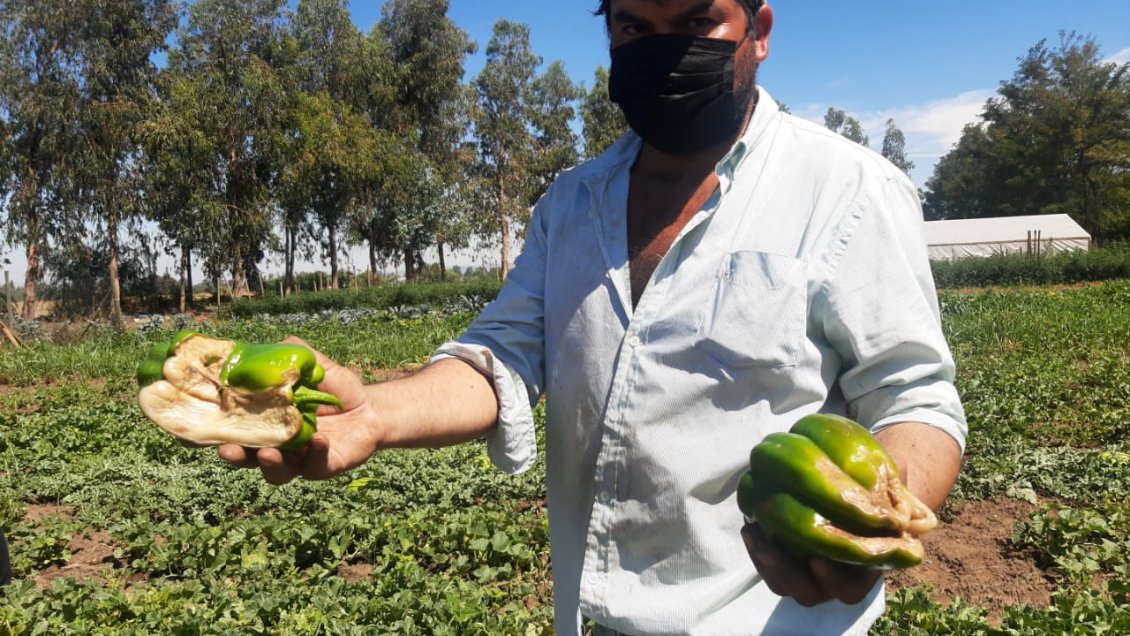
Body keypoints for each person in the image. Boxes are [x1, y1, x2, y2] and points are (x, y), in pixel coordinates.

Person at [220, 1, 967, 634]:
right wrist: (373, 413)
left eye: (698, 21)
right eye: (636, 26)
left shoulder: (847, 190)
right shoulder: (572, 202)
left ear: (760, 31)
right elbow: (504, 354)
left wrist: (871, 516)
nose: (665, 52)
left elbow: (915, 398)